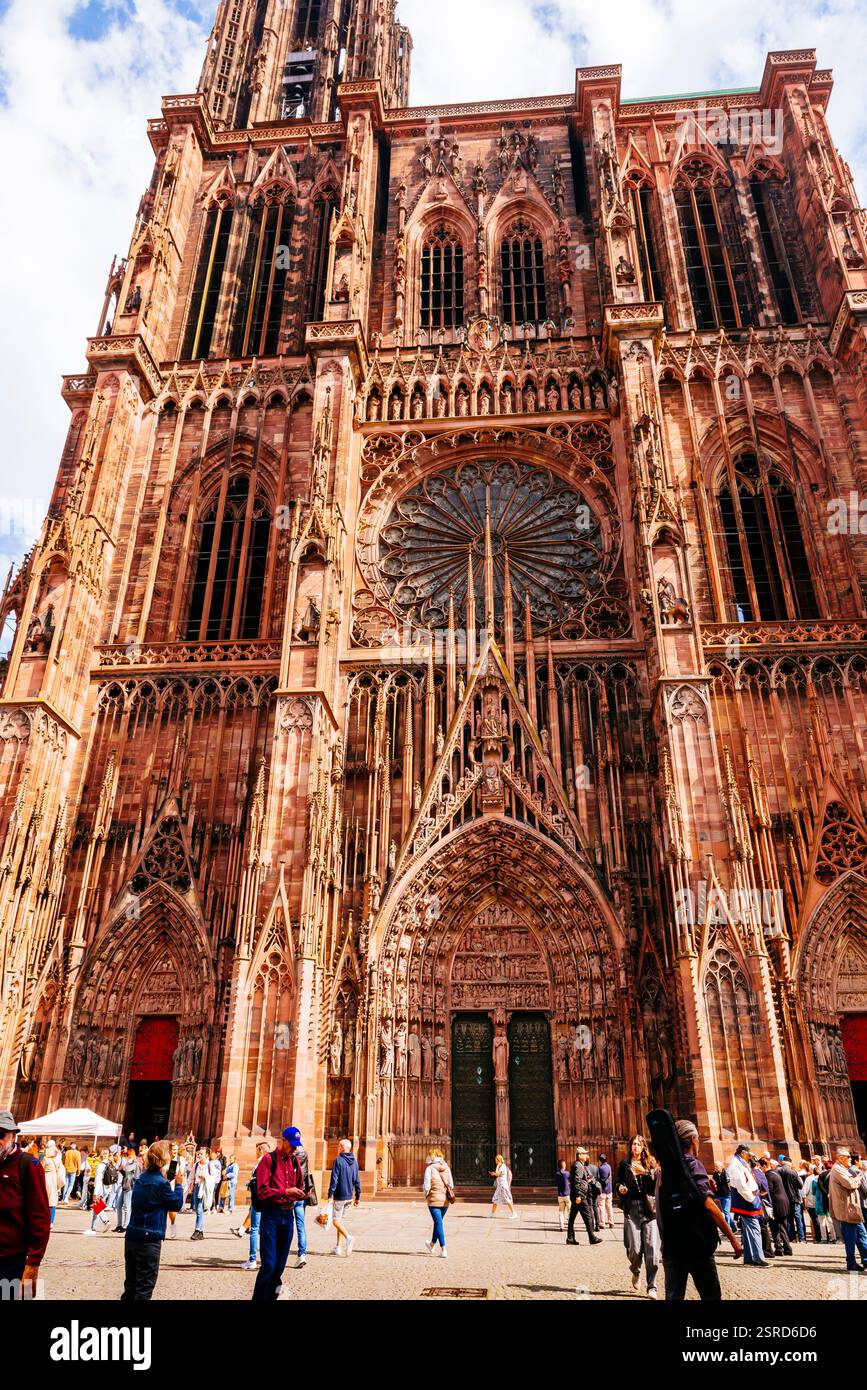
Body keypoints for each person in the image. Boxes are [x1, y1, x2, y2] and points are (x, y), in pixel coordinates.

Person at [650, 1114, 742, 1300]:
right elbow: (707, 1205)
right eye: (698, 1138)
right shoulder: (693, 1165)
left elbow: (659, 1207)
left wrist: (665, 1244)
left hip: (672, 1246)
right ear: (693, 1139)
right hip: (696, 1245)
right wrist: (733, 1239)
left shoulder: (665, 1170)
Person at [121, 1142, 184, 1301]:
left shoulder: (141, 1179)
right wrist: (178, 1185)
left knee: (131, 1286)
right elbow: (175, 1204)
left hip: (132, 1236)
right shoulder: (162, 1184)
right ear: (164, 1160)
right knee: (144, 1288)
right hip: (149, 1241)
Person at [251, 1128, 306, 1301]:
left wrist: (301, 1193)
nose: (295, 1149)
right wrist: (285, 1191)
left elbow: (300, 1185)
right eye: (292, 1144)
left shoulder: (295, 1162)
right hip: (271, 1216)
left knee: (280, 1266)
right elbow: (262, 1191)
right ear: (283, 1140)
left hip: (287, 1216)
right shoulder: (268, 1160)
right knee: (269, 1264)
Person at [0, 1110, 51, 1299]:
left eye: (1, 1134)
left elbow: (41, 1219)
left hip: (14, 1262)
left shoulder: (29, 1165)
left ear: (13, 1136)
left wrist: (33, 1266)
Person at [616, 1134, 660, 1297]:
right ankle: (636, 1270)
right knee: (633, 1249)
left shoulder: (651, 1163)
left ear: (643, 1147)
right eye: (633, 1144)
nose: (635, 1147)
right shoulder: (624, 1164)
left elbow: (657, 1182)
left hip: (649, 1209)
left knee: (652, 1251)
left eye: (638, 1144)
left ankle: (652, 1286)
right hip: (632, 1208)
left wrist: (645, 1172)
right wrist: (620, 1188)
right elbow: (618, 1182)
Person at [727, 1144, 768, 1267]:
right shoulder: (736, 1164)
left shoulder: (739, 1163)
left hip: (748, 1198)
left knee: (749, 1229)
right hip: (747, 1200)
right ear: (743, 1153)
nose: (748, 1158)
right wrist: (752, 1199)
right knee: (754, 1228)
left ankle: (750, 1258)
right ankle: (758, 1258)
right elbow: (741, 1185)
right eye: (748, 1155)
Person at [828, 1146, 867, 1274]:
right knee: (851, 1238)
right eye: (848, 1157)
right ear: (840, 1158)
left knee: (862, 1234)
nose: (850, 1159)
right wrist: (859, 1178)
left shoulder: (842, 1168)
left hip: (852, 1209)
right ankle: (851, 1263)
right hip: (847, 1210)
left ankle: (865, 1259)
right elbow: (850, 1184)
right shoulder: (838, 1169)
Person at [233, 1140, 270, 1270]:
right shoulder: (271, 1162)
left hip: (258, 1201)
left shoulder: (261, 1162)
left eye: (256, 1150)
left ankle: (252, 1259)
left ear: (260, 1150)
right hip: (267, 1201)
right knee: (264, 1230)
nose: (255, 1153)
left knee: (254, 1229)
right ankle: (266, 1260)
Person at [282, 1127, 313, 1269]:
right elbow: (306, 1172)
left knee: (286, 1225)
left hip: (290, 1193)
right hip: (300, 1193)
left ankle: (281, 1255)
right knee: (300, 1225)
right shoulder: (304, 1153)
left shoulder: (288, 1155)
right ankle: (302, 1254)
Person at [328, 1138, 361, 1256]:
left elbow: (334, 1179)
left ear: (342, 1148)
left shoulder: (338, 1160)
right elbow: (357, 1180)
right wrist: (358, 1196)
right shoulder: (355, 1162)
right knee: (340, 1221)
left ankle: (349, 1237)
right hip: (349, 1197)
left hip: (340, 1196)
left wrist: (330, 1194)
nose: (337, 1148)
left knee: (335, 1221)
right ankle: (338, 1247)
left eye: (338, 1146)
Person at [566, 1146, 602, 1246]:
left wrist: (587, 1180)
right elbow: (577, 1181)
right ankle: (592, 1237)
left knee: (572, 1217)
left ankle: (570, 1238)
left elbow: (577, 1179)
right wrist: (578, 1195)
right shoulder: (578, 1165)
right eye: (585, 1154)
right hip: (580, 1196)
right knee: (588, 1216)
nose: (587, 1155)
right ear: (580, 1155)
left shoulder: (579, 1165)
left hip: (578, 1195)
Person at [423, 1147, 454, 1257]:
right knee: (438, 1222)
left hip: (434, 1200)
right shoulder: (446, 1167)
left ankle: (443, 1249)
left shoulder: (430, 1168)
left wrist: (427, 1195)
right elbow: (451, 1184)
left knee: (438, 1223)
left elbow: (427, 1186)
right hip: (445, 1201)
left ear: (432, 1156)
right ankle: (431, 1244)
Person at [761, 1158, 793, 1256]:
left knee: (774, 1226)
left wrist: (759, 1193)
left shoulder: (768, 1175)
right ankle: (787, 1248)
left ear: (764, 1166)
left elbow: (768, 1190)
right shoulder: (776, 1173)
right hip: (784, 1201)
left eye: (760, 1166)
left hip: (777, 1203)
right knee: (782, 1226)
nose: (760, 1169)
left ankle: (779, 1249)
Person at [778, 1157, 805, 1242]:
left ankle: (792, 1238)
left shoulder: (778, 1171)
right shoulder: (792, 1172)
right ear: (789, 1163)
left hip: (784, 1198)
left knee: (789, 1219)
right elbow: (800, 1185)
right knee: (798, 1218)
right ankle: (801, 1238)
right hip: (794, 1198)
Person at [115, 1146, 141, 1233]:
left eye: (129, 1155)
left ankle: (126, 1225)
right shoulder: (128, 1163)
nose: (128, 1157)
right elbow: (125, 1174)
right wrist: (121, 1170)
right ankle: (119, 1225)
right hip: (124, 1185)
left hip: (130, 1187)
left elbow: (132, 1175)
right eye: (127, 1156)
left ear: (133, 1156)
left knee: (127, 1207)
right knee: (118, 1205)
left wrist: (123, 1168)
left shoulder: (135, 1164)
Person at [188, 1147, 212, 1240]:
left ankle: (197, 1230)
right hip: (197, 1187)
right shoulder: (196, 1164)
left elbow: (215, 1177)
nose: (199, 1155)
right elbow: (191, 1176)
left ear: (206, 1155)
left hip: (204, 1188)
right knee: (198, 1210)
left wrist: (206, 1177)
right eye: (198, 1154)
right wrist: (188, 1186)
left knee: (199, 1209)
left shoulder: (210, 1165)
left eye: (201, 1154)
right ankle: (201, 1232)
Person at [165, 1142, 187, 1238]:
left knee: (171, 1209)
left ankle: (173, 1225)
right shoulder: (165, 1159)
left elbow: (181, 1173)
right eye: (173, 1149)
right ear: (169, 1150)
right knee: (163, 1209)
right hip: (165, 1184)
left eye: (176, 1150)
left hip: (174, 1185)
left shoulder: (180, 1159)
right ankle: (162, 1227)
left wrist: (178, 1175)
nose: (175, 1151)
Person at [41, 1141, 64, 1225]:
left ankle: (44, 1219)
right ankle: (51, 1221)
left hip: (46, 1178)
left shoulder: (46, 1159)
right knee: (53, 1201)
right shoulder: (58, 1159)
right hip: (54, 1179)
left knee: (45, 1200)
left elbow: (41, 1169)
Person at [490, 1154, 517, 1219]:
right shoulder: (501, 1166)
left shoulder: (502, 1166)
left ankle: (514, 1213)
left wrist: (497, 1166)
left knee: (507, 1199)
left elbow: (497, 1173)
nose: (495, 1161)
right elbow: (498, 1174)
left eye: (496, 1160)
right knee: (495, 1199)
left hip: (503, 1186)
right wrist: (494, 1173)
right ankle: (492, 1213)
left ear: (498, 1160)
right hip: (500, 1186)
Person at [597, 1154, 613, 1230]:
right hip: (609, 1190)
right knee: (609, 1207)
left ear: (600, 1160)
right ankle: (611, 1222)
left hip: (602, 1191)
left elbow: (599, 1180)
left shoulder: (600, 1168)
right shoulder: (609, 1167)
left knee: (601, 1207)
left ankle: (602, 1223)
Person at [555, 1160, 571, 1232]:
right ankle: (570, 1225)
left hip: (560, 1195)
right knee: (570, 1211)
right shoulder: (567, 1173)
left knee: (561, 1211)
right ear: (564, 1165)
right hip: (567, 1194)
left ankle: (561, 1226)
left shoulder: (557, 1174)